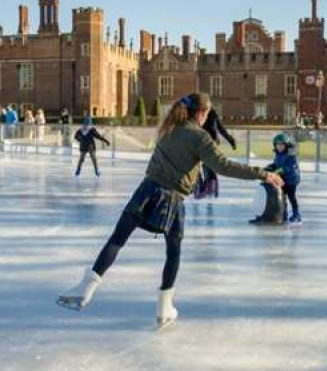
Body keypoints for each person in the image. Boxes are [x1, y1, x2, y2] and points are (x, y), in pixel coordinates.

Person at [56, 93, 283, 327]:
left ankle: (86, 288)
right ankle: (164, 307)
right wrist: (263, 173)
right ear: (201, 114)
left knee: (118, 238)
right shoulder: (200, 137)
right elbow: (223, 166)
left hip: (145, 191)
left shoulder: (169, 128)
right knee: (173, 250)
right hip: (171, 198)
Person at [194, 108, 238, 200]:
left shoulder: (211, 113)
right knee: (199, 165)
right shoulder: (197, 113)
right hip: (201, 142)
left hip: (210, 142)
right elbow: (221, 129)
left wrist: (231, 140)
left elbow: (220, 128)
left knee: (208, 165)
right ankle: (202, 186)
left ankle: (208, 187)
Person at [262, 132, 302, 223]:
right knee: (283, 197)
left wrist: (277, 171)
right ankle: (284, 214)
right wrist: (269, 167)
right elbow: (276, 165)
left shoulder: (291, 156)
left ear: (286, 145)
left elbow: (289, 168)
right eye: (277, 145)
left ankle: (296, 214)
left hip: (291, 180)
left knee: (292, 197)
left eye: (281, 145)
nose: (279, 147)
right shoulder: (278, 155)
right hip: (283, 179)